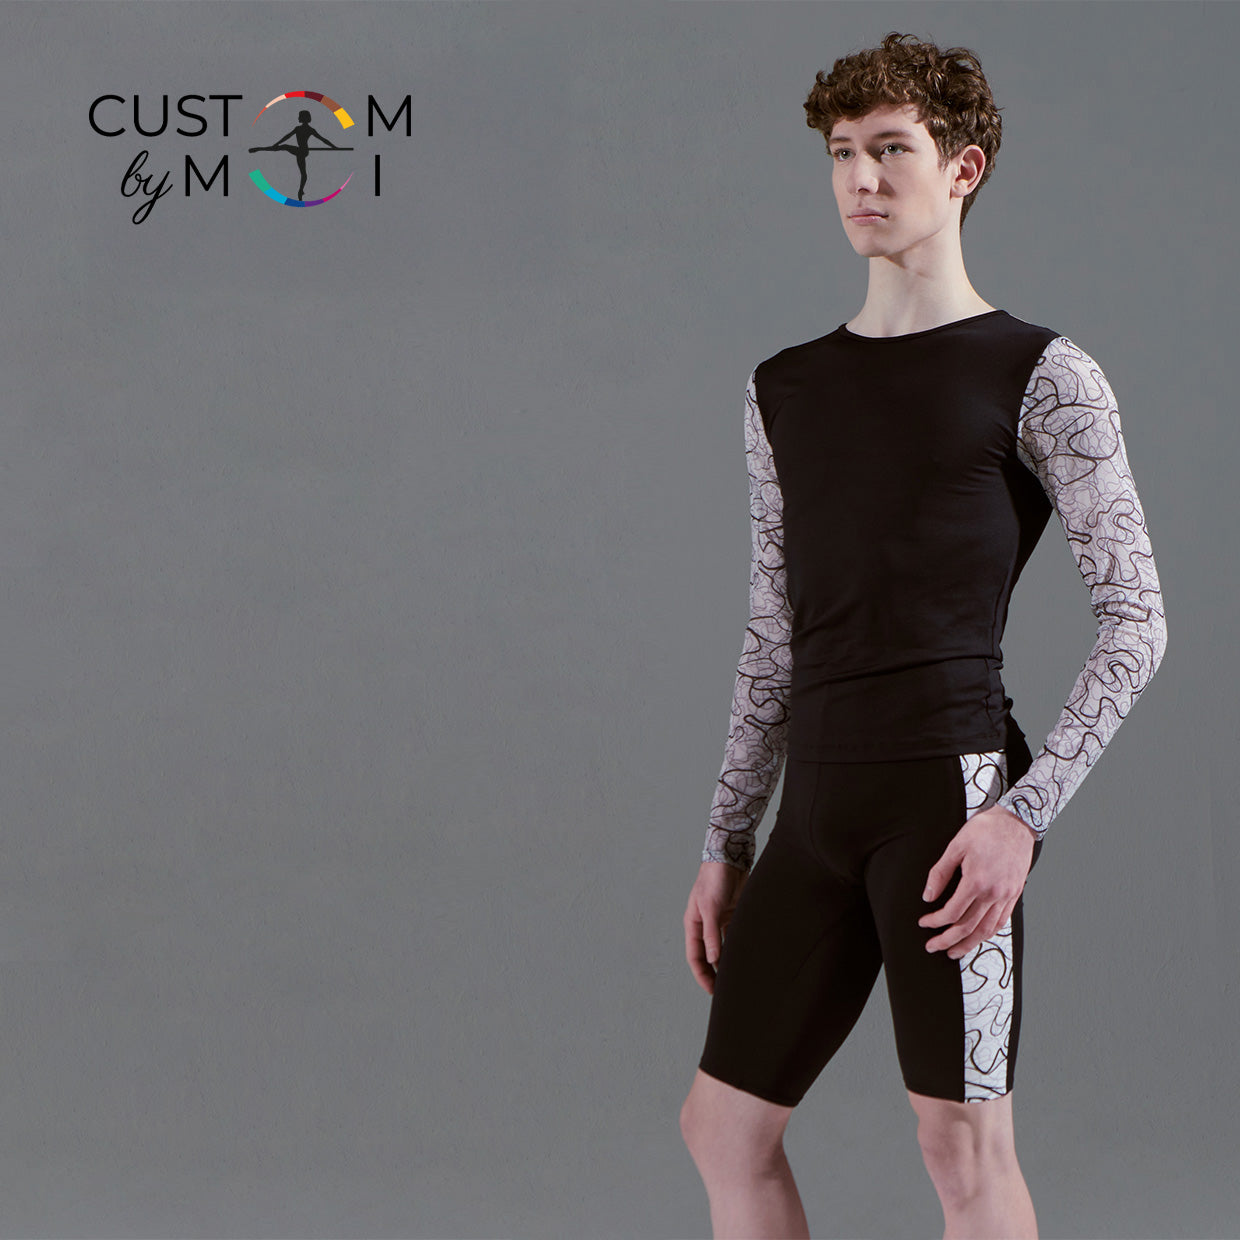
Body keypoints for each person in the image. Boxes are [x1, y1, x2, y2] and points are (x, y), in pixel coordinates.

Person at [678, 31, 1168, 1240]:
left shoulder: (1042, 373)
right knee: (722, 1128)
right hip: (815, 807)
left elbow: (1136, 620)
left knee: (960, 1145)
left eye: (891, 149)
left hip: (947, 807)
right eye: (841, 153)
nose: (860, 178)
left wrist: (1022, 816)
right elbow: (774, 629)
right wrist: (726, 837)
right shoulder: (783, 386)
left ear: (962, 167)